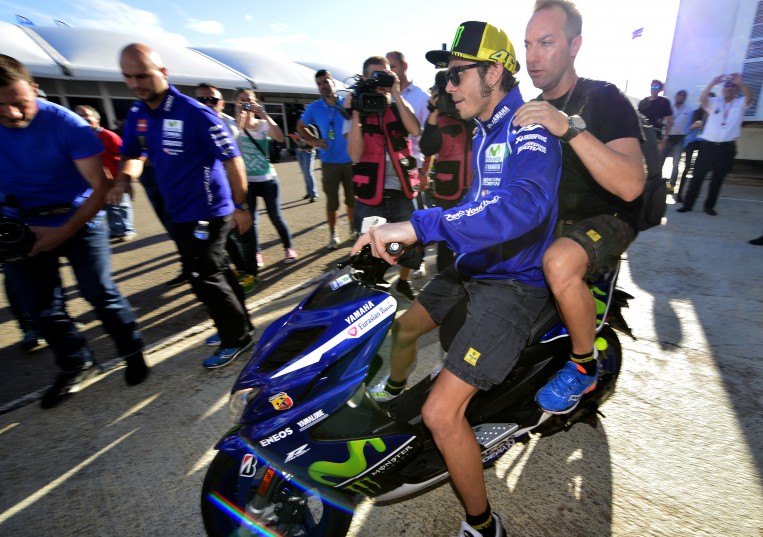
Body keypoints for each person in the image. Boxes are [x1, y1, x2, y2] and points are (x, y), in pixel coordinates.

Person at [355, 21, 561, 537]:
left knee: (442, 414)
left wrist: (421, 222)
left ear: (494, 72)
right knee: (403, 327)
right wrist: (413, 235)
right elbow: (479, 204)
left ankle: (483, 525)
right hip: (473, 268)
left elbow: (524, 207)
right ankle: (393, 398)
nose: (447, 87)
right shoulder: (485, 126)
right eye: (445, 76)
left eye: (455, 75)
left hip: (515, 286)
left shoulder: (528, 124)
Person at [514, 0, 644, 413]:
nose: (533, 56)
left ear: (575, 45)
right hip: (552, 221)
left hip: (607, 218)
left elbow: (630, 184)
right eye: (528, 43)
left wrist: (565, 126)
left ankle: (583, 365)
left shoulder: (604, 98)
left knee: (558, 262)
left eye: (546, 42)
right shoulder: (527, 108)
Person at [0, 54, 148, 408]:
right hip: (21, 223)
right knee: (40, 306)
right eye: (0, 108)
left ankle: (133, 352)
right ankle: (77, 363)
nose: (13, 115)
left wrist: (61, 232)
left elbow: (100, 186)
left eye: (20, 104)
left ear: (34, 90)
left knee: (99, 291)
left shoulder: (66, 124)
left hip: (79, 217)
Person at [115, 43, 255, 369]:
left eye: (143, 75)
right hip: (178, 211)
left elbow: (233, 160)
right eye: (128, 77)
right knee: (216, 270)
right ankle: (238, 327)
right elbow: (132, 153)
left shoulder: (195, 113)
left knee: (203, 275)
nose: (136, 83)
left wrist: (241, 205)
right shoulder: (138, 114)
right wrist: (123, 179)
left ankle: (236, 338)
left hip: (209, 210)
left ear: (162, 73)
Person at [345, 55, 421, 301]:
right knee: (368, 249)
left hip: (401, 190)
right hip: (371, 194)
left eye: (386, 74)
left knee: (413, 246)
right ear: (365, 78)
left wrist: (396, 93)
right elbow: (355, 154)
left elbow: (415, 130)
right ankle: (371, 289)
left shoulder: (397, 106)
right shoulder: (356, 107)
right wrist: (356, 114)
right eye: (376, 74)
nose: (381, 79)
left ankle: (404, 281)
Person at [194, 83, 258, 292]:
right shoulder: (191, 127)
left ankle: (251, 271)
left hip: (235, 188)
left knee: (245, 230)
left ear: (221, 103)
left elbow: (238, 162)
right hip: (210, 191)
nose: (208, 104)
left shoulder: (231, 126)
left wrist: (240, 202)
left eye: (212, 100)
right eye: (202, 100)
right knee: (225, 234)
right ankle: (241, 270)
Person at [232, 88, 298, 266]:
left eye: (249, 99)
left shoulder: (262, 124)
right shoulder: (233, 126)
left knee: (275, 216)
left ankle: (289, 247)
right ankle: (256, 252)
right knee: (251, 219)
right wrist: (240, 119)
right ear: (236, 103)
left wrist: (263, 113)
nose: (246, 103)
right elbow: (231, 147)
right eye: (242, 100)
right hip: (248, 182)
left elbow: (279, 138)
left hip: (268, 179)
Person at [419, 70, 475, 272]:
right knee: (445, 244)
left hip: (474, 190)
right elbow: (428, 148)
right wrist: (435, 112)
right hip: (447, 193)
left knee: (470, 241)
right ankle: (445, 284)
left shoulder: (470, 114)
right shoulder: (437, 120)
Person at [676, 73, 753, 215]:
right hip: (707, 146)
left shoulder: (740, 103)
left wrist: (740, 82)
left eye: (733, 86)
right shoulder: (715, 102)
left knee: (717, 179)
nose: (730, 88)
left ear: (737, 90)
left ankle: (709, 206)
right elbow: (702, 99)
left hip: (726, 147)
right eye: (727, 86)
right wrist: (712, 83)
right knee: (697, 177)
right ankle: (687, 205)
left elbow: (750, 98)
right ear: (723, 89)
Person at [297, 69, 355, 249]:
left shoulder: (346, 103)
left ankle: (354, 231)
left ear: (333, 83)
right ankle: (333, 234)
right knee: (332, 202)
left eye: (325, 82)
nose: (323, 86)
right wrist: (312, 140)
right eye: (319, 83)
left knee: (352, 200)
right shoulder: (314, 107)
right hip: (329, 163)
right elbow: (300, 126)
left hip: (351, 161)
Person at [75, 105, 137, 242]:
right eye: (79, 115)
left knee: (120, 205)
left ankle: (127, 229)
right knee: (107, 206)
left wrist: (122, 177)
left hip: (115, 179)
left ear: (97, 118)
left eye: (86, 115)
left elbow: (124, 155)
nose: (83, 118)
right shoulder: (80, 138)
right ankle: (115, 230)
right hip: (97, 180)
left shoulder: (108, 136)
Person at [660, 89, 691, 193]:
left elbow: (690, 126)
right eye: (679, 96)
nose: (680, 97)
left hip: (680, 139)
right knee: (660, 161)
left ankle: (671, 188)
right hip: (668, 137)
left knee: (675, 165)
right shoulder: (668, 108)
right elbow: (663, 123)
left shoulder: (689, 110)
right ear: (675, 97)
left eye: (682, 96)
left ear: (685, 98)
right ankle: (657, 184)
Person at [289, 127, 318, 202]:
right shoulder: (298, 128)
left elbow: (315, 141)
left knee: (308, 173)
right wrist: (295, 139)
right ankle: (309, 192)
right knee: (305, 173)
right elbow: (298, 142)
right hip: (299, 152)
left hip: (308, 152)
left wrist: (301, 139)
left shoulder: (311, 128)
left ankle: (314, 194)